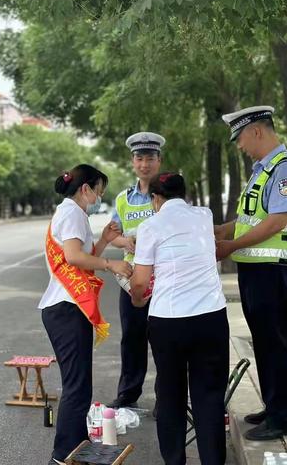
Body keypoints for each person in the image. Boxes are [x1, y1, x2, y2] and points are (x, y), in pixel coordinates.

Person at [130, 172, 228, 465]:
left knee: (170, 396)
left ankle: (175, 461)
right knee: (209, 397)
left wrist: (137, 300)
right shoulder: (203, 215)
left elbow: (140, 281)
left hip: (168, 322)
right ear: (184, 195)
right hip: (210, 318)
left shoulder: (150, 226)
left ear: (156, 199)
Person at [38, 164, 132, 465]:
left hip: (65, 309)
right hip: (66, 309)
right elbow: (74, 257)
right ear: (85, 189)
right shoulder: (72, 213)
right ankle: (63, 453)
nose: (99, 196)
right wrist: (112, 263)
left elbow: (82, 260)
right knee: (77, 386)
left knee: (79, 384)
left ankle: (76, 445)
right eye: (99, 190)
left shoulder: (72, 212)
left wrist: (103, 240)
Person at [217, 105, 287, 441]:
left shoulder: (283, 168)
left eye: (241, 138)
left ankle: (282, 416)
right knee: (265, 341)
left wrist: (231, 246)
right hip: (256, 272)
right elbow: (250, 219)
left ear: (257, 131)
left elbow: (277, 220)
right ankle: (274, 404)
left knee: (277, 343)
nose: (239, 146)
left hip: (274, 272)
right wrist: (221, 230)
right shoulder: (262, 170)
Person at [107, 132, 164, 410]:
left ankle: (164, 397)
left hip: (164, 277)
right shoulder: (123, 199)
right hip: (131, 279)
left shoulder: (168, 195)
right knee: (131, 337)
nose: (145, 164)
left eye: (150, 158)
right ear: (133, 162)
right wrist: (124, 241)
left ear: (159, 161)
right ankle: (128, 394)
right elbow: (112, 234)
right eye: (139, 158)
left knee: (164, 339)